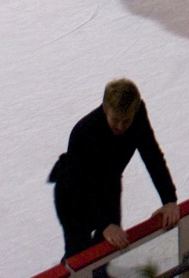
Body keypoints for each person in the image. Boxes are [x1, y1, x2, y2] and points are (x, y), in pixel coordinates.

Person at [48, 78, 180, 265]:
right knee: (79, 254)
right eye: (115, 120)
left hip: (108, 186)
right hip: (73, 194)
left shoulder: (139, 115)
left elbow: (152, 155)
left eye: (126, 121)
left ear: (135, 110)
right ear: (105, 109)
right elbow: (78, 186)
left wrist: (169, 199)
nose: (120, 127)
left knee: (108, 250)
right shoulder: (83, 132)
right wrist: (103, 224)